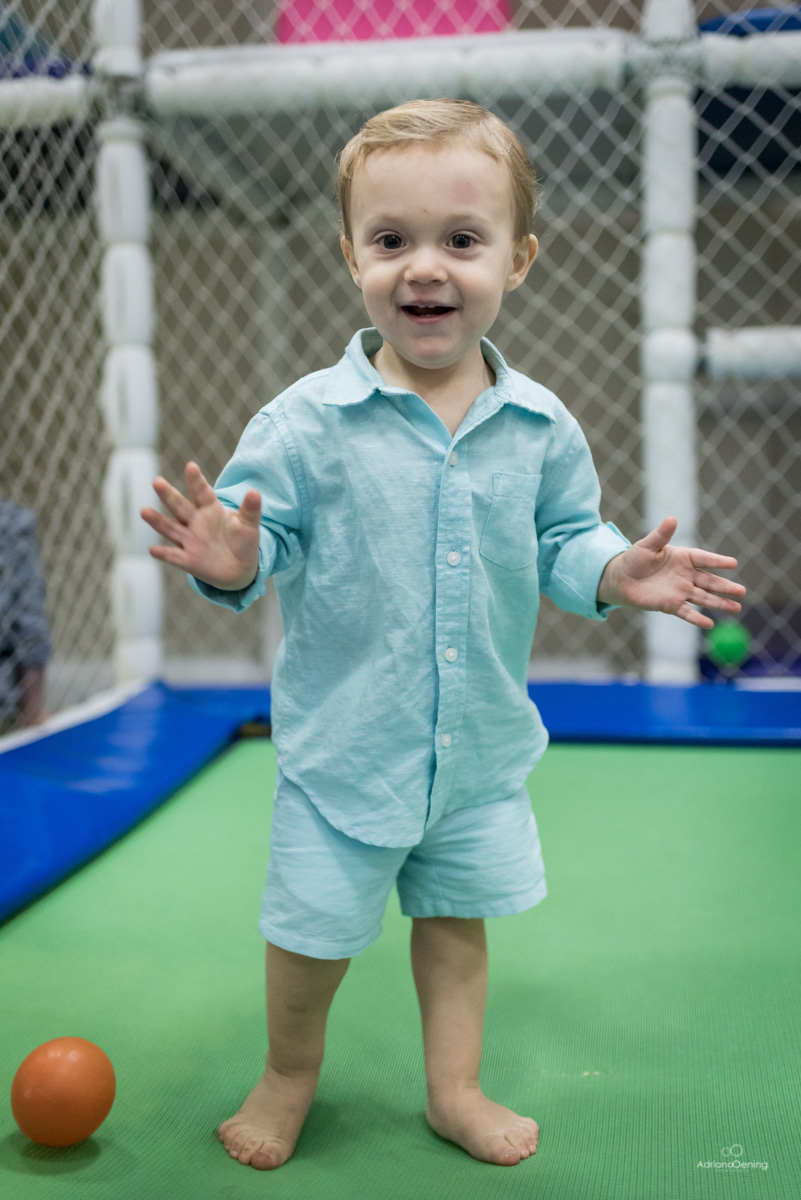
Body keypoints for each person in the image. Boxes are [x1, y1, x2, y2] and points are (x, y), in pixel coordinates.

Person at [140, 99, 746, 1172]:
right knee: (311, 936)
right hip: (345, 752)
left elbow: (566, 536)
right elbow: (254, 533)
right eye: (392, 241)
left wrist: (614, 568)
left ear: (518, 259)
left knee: (458, 925)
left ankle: (453, 1090)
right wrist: (234, 562)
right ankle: (287, 1075)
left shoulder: (543, 424)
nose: (426, 266)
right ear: (352, 256)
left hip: (476, 753)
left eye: (461, 241)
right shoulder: (303, 422)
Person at [0, 499, 52, 733]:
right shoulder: (11, 523)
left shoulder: (11, 524)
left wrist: (33, 714)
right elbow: (29, 622)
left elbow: (29, 624)